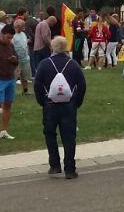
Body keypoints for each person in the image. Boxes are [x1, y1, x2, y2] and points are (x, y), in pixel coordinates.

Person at [35, 35, 87, 179]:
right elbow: (82, 85)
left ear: (53, 47)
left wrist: (42, 102)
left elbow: (37, 85)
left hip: (50, 104)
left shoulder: (45, 64)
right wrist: (77, 102)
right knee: (69, 137)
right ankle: (70, 168)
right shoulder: (73, 64)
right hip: (69, 105)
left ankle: (54, 165)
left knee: (50, 134)